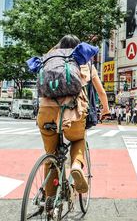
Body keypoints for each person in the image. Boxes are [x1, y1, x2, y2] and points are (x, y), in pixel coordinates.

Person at [37, 35, 110, 199]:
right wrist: (105, 109)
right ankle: (76, 166)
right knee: (78, 140)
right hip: (72, 113)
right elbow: (101, 92)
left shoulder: (50, 59)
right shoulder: (85, 63)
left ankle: (49, 200)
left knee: (51, 155)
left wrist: (57, 46)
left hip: (46, 111)